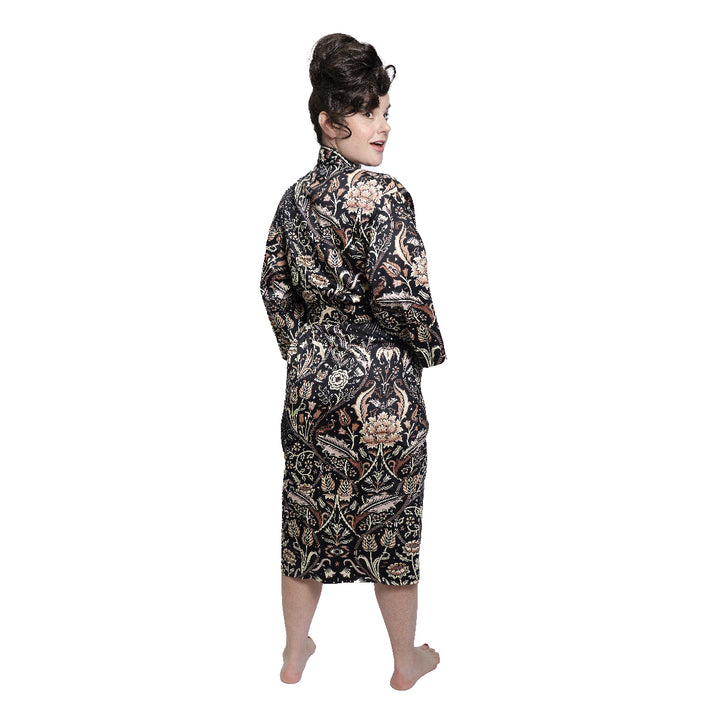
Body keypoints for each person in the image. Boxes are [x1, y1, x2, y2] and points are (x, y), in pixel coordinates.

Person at [260, 33, 446, 691]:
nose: (383, 126)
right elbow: (403, 296)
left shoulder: (293, 200)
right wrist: (428, 351)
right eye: (368, 112)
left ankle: (293, 655)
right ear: (328, 120)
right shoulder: (385, 195)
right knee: (392, 521)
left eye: (385, 111)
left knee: (305, 517)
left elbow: (273, 287)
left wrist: (306, 352)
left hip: (310, 388)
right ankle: (404, 663)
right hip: (380, 394)